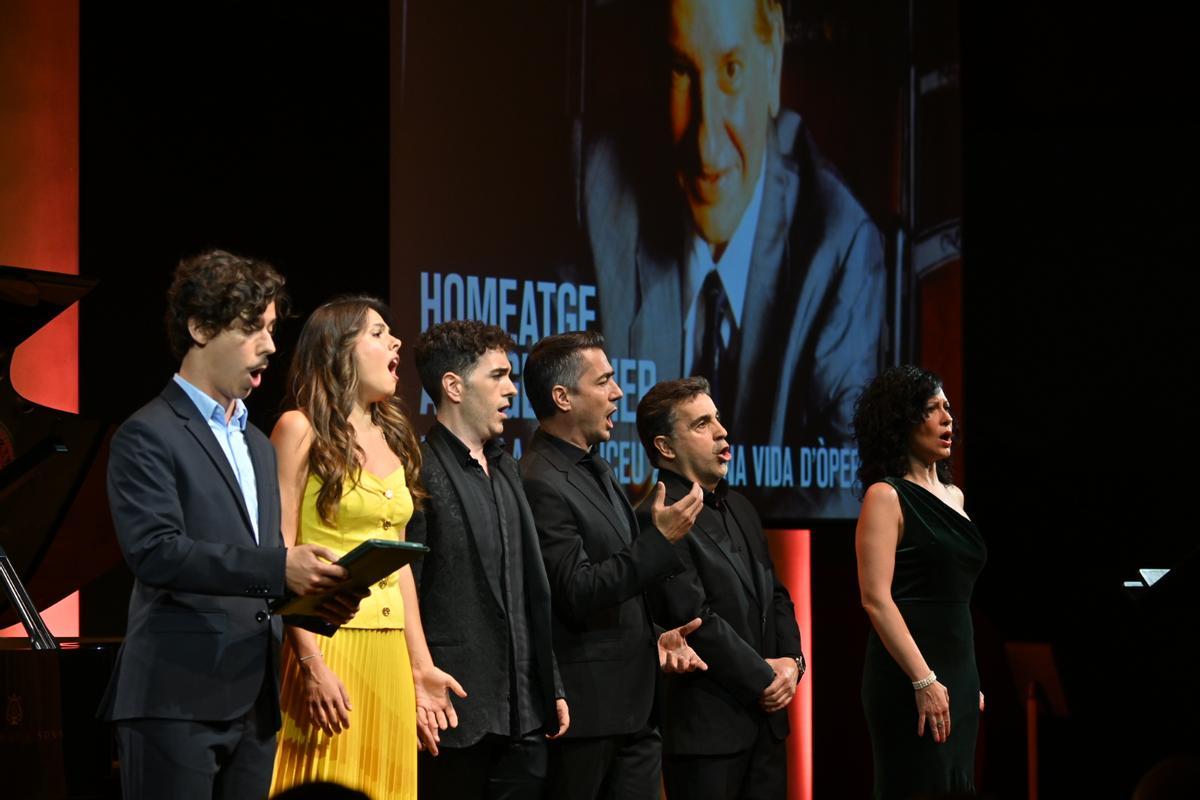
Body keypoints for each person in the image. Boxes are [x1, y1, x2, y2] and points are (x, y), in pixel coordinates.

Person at [583, 0, 886, 516]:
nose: (707, 145)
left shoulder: (841, 244)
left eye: (731, 70)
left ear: (772, 70)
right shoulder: (600, 193)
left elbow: (842, 482)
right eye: (683, 71)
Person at [99, 250, 360, 799]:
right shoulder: (147, 433)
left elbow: (265, 568)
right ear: (198, 328)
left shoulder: (257, 446)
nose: (269, 345)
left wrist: (316, 598)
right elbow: (156, 552)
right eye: (251, 329)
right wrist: (280, 567)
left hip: (254, 701)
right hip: (176, 699)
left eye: (270, 328)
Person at [269, 297, 446, 798]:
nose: (396, 342)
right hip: (326, 641)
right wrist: (308, 662)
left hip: (389, 648)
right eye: (378, 332)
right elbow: (281, 550)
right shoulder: (299, 428)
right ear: (338, 349)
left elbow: (400, 565)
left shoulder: (395, 437)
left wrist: (420, 666)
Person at [519, 331, 704, 799]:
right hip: (588, 714)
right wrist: (658, 541)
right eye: (604, 381)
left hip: (635, 707)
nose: (618, 392)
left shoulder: (596, 466)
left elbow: (617, 574)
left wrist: (655, 633)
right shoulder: (540, 479)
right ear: (562, 397)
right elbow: (577, 590)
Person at [408, 320, 569, 799]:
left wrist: (551, 683)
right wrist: (415, 685)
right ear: (453, 386)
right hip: (455, 714)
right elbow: (405, 589)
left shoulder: (508, 469)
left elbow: (528, 589)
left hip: (524, 715)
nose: (512, 389)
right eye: (498, 376)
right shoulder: (418, 470)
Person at [635, 377, 805, 800]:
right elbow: (694, 618)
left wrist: (793, 663)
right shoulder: (656, 516)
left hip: (767, 727)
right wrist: (765, 679)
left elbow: (777, 594)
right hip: (707, 736)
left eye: (718, 420)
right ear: (666, 447)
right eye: (701, 424)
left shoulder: (742, 506)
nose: (721, 432)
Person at [853, 365, 986, 799]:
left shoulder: (955, 497)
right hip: (908, 678)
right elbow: (876, 600)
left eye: (948, 407)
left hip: (958, 677)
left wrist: (966, 681)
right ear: (902, 422)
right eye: (932, 409)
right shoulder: (886, 495)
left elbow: (955, 599)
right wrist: (923, 680)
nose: (948, 418)